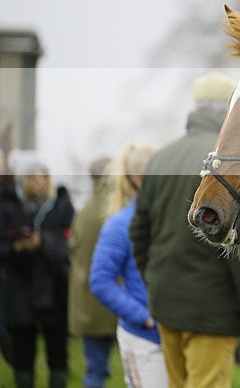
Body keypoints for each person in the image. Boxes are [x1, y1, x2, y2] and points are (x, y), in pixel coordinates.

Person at [130, 71, 240, 388]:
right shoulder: (230, 165)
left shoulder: (159, 159)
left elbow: (139, 233)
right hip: (212, 309)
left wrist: (154, 280)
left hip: (165, 302)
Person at [90, 143, 166, 388]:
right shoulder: (119, 225)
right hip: (143, 339)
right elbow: (100, 280)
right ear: (137, 179)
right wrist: (143, 317)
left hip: (178, 336)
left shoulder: (172, 219)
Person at [0, 159, 74, 388]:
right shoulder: (9, 208)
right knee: (22, 357)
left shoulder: (61, 206)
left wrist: (42, 242)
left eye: (43, 176)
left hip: (54, 293)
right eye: (33, 176)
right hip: (20, 292)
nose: (39, 181)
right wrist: (16, 247)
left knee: (58, 355)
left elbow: (69, 245)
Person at [68, 155, 117, 388]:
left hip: (88, 303)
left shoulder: (84, 212)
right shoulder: (114, 211)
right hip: (114, 302)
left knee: (94, 369)